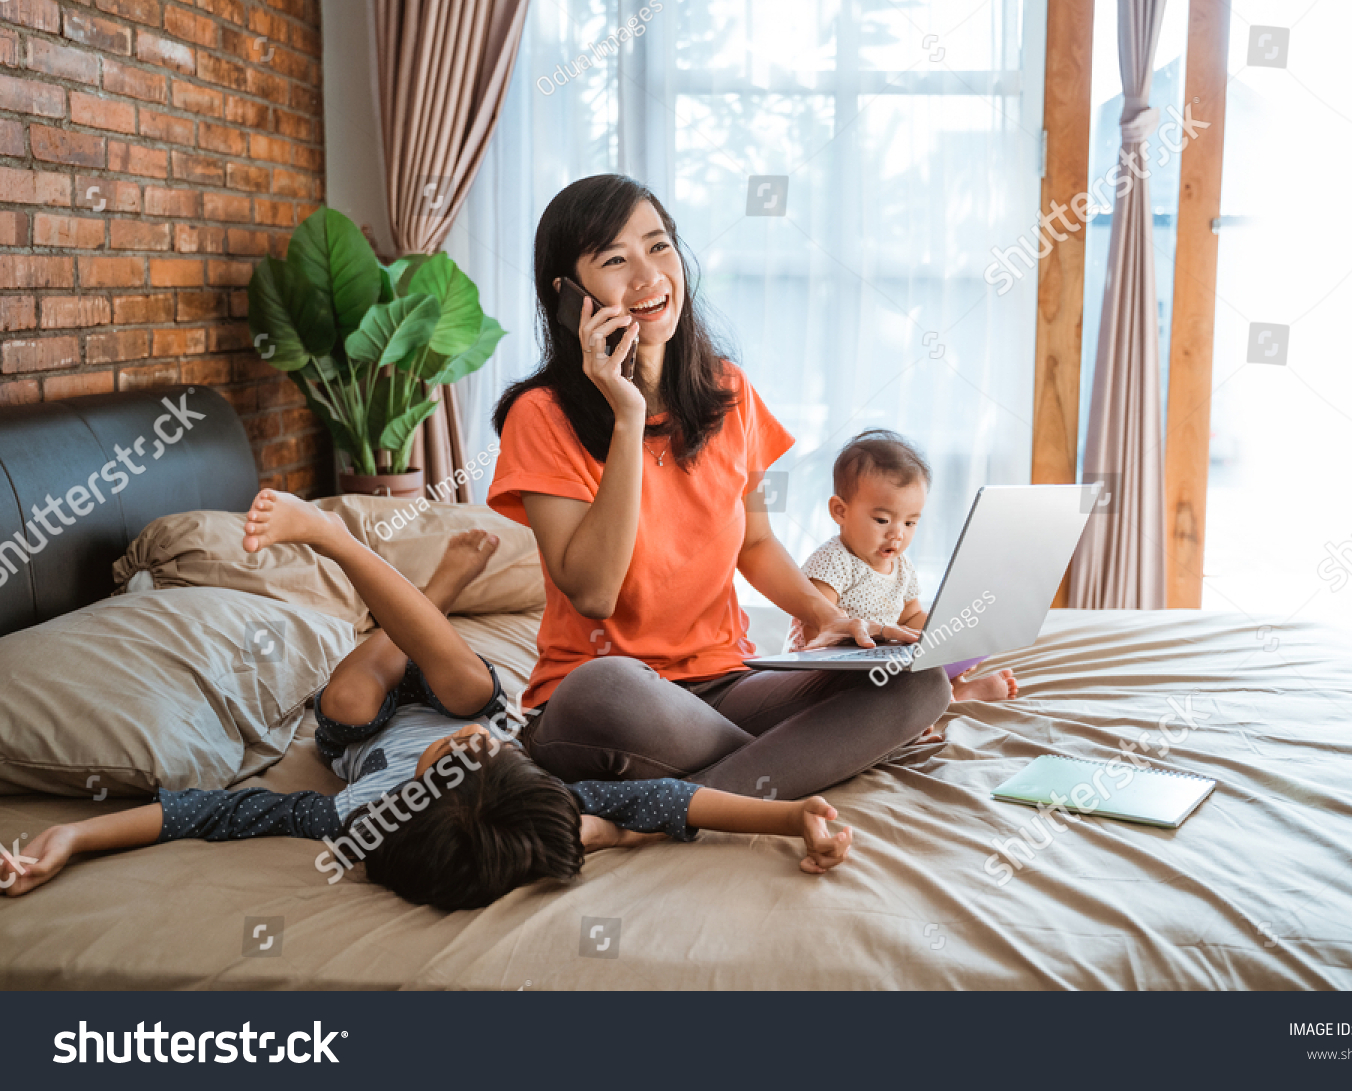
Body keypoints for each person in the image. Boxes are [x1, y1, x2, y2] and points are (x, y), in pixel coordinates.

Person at [0, 496, 854, 910]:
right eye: (489, 756)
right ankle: (420, 589)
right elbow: (662, 800)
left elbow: (204, 815)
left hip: (365, 724)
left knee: (350, 693)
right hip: (462, 690)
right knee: (472, 692)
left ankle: (372, 562)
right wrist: (792, 816)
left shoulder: (352, 818)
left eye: (462, 758)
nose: (478, 747)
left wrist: (73, 836)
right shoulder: (547, 813)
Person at [488, 173, 950, 801]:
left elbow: (755, 545)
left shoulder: (728, 390)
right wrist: (627, 416)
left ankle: (678, 804)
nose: (648, 276)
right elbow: (594, 593)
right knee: (608, 686)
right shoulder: (540, 414)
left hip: (724, 685)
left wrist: (831, 619)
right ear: (568, 294)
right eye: (615, 260)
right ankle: (792, 763)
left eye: (659, 246)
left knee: (917, 681)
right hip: (608, 701)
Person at [786, 429, 1019, 727]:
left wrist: (949, 634)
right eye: (882, 520)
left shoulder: (902, 566)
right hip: (831, 673)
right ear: (840, 511)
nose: (897, 534)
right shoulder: (833, 560)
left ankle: (952, 690)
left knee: (924, 666)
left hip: (882, 662)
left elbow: (911, 617)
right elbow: (815, 630)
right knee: (893, 689)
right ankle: (944, 699)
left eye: (910, 522)